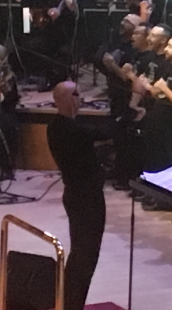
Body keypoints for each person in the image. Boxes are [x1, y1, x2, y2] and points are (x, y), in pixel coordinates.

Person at [47, 81, 105, 310]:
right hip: (86, 199)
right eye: (77, 95)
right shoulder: (72, 130)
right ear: (69, 99)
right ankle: (72, 303)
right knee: (85, 255)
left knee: (81, 253)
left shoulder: (56, 127)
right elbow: (105, 132)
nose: (81, 98)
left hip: (76, 195)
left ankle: (69, 301)